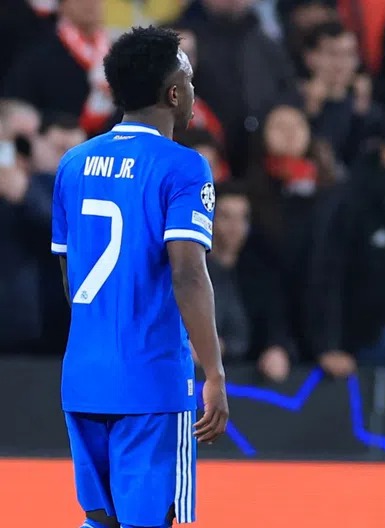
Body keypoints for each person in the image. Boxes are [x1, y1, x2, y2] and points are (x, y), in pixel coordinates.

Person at [50, 26, 229, 528]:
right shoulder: (184, 167)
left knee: (99, 520)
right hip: (151, 379)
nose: (193, 89)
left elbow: (69, 273)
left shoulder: (73, 163)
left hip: (83, 376)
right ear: (173, 94)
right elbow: (188, 274)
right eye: (188, 79)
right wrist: (214, 373)